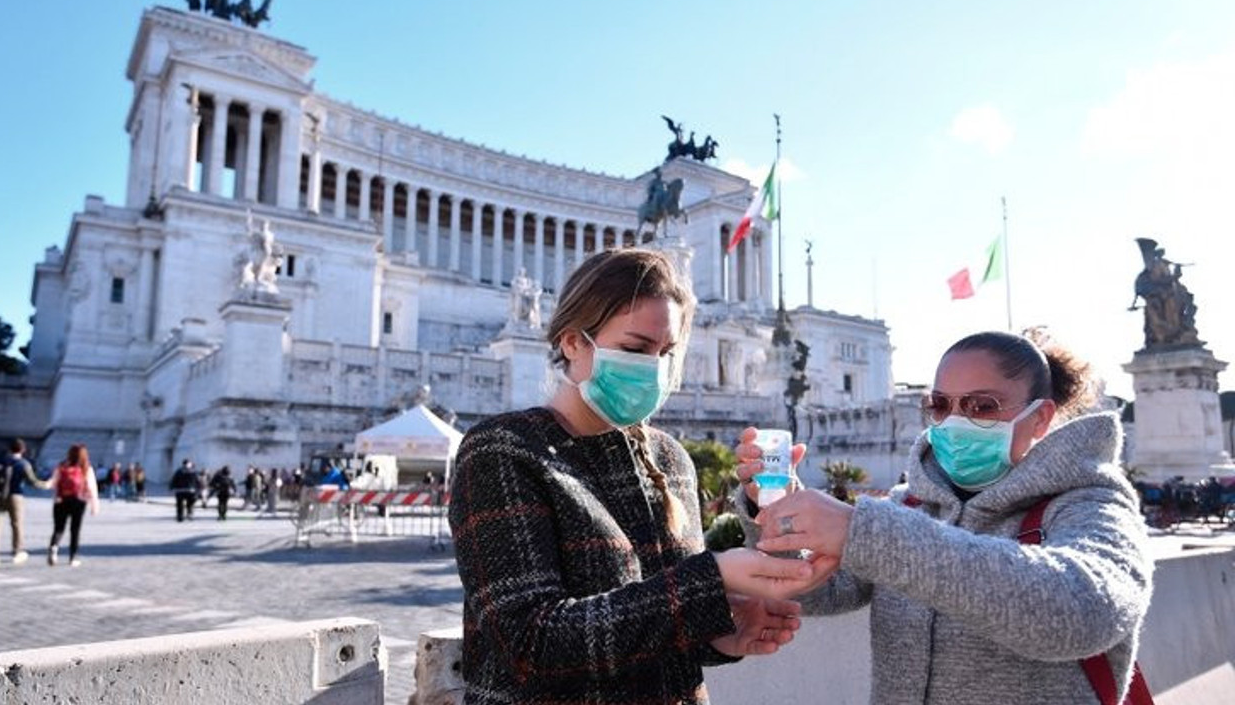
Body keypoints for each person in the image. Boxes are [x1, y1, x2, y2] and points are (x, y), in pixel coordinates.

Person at [449, 248, 825, 705]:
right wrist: (712, 580)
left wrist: (719, 633)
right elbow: (531, 643)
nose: (653, 368)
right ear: (572, 342)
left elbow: (655, 620)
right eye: (634, 349)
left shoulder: (671, 459)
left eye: (667, 353)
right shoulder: (504, 450)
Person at [735, 329, 1154, 704]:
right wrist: (774, 511)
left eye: (982, 406)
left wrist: (862, 531)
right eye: (941, 405)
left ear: (1040, 417)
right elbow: (817, 592)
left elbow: (1081, 611)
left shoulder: (1091, 502)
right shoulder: (909, 504)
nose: (956, 422)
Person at [0, 438, 46, 568]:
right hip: (15, 496)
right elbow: (32, 482)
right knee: (17, 525)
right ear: (23, 450)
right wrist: (46, 485)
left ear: (9, 449)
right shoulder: (23, 464)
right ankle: (17, 552)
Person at [42, 444, 100, 567]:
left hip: (61, 500)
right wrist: (94, 504)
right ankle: (73, 557)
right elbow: (91, 487)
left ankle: (54, 547)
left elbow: (53, 482)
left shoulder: (62, 466)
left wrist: (43, 485)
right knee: (75, 530)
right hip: (78, 501)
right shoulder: (86, 468)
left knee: (58, 528)